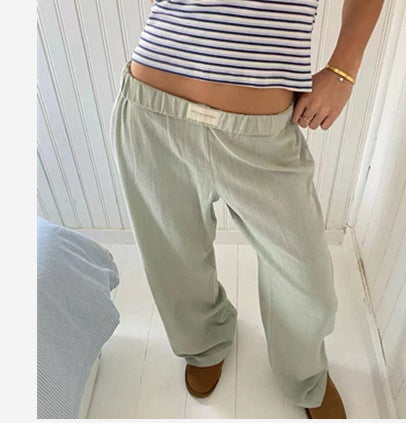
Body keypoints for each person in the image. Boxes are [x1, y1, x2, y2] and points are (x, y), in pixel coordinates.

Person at [110, 0, 384, 418]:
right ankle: (203, 343)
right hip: (153, 108)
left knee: (307, 277)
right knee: (173, 257)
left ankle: (303, 371)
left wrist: (343, 70)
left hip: (262, 133)